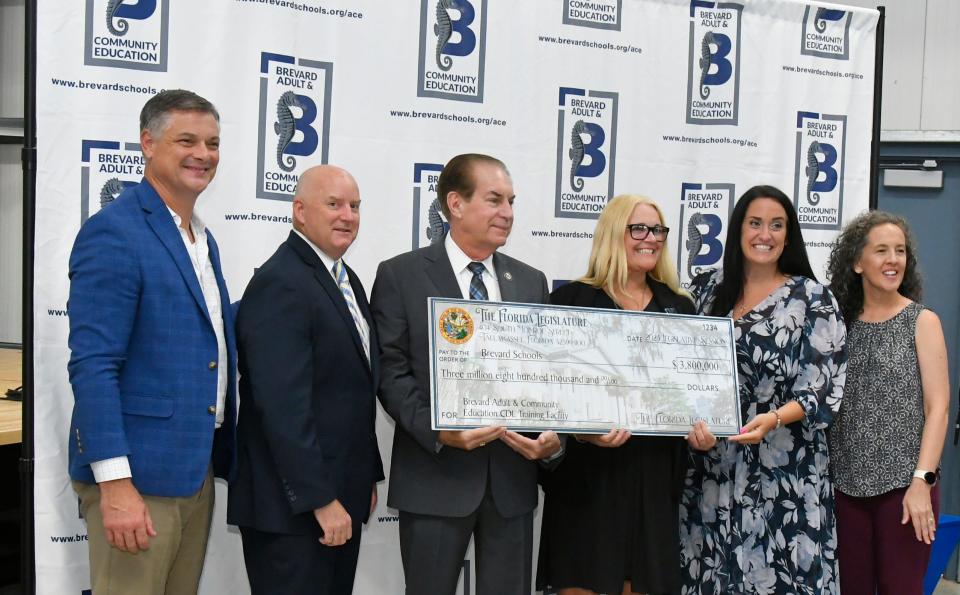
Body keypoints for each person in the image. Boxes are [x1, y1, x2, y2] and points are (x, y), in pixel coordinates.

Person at [67, 89, 235, 595]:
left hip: (192, 471)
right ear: (148, 143)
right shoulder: (115, 233)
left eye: (212, 143)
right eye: (186, 140)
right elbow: (94, 364)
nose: (203, 154)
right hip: (137, 480)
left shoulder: (203, 241)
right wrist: (115, 484)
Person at [370, 153, 562, 595]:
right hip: (435, 479)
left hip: (512, 486)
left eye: (512, 201)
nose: (508, 213)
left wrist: (554, 438)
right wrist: (440, 432)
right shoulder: (401, 275)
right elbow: (391, 374)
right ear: (455, 204)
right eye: (495, 200)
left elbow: (547, 376)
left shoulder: (532, 282)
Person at [537, 195, 712, 595]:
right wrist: (580, 432)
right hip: (588, 478)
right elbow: (546, 398)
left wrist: (704, 429)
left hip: (654, 478)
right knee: (582, 582)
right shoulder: (570, 301)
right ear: (614, 234)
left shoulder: (680, 307)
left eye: (658, 230)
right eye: (639, 229)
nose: (650, 238)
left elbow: (694, 396)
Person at [678, 185, 847, 594]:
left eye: (776, 225)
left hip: (786, 467)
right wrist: (687, 424)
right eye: (755, 223)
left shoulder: (813, 297)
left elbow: (823, 385)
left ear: (788, 235)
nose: (764, 234)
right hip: (713, 465)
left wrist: (771, 418)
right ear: (738, 230)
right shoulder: (705, 289)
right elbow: (679, 368)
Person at [227, 165, 383, 595]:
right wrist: (320, 500)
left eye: (354, 206)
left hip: (337, 499)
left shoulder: (344, 279)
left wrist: (363, 475)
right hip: (295, 511)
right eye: (333, 204)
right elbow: (282, 407)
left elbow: (351, 390)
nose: (347, 215)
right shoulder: (282, 282)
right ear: (299, 211)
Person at [826, 211, 949, 595]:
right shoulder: (836, 323)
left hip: (905, 488)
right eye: (881, 251)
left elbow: (939, 408)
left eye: (900, 251)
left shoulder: (922, 321)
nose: (893, 259)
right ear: (857, 262)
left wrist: (921, 483)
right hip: (845, 487)